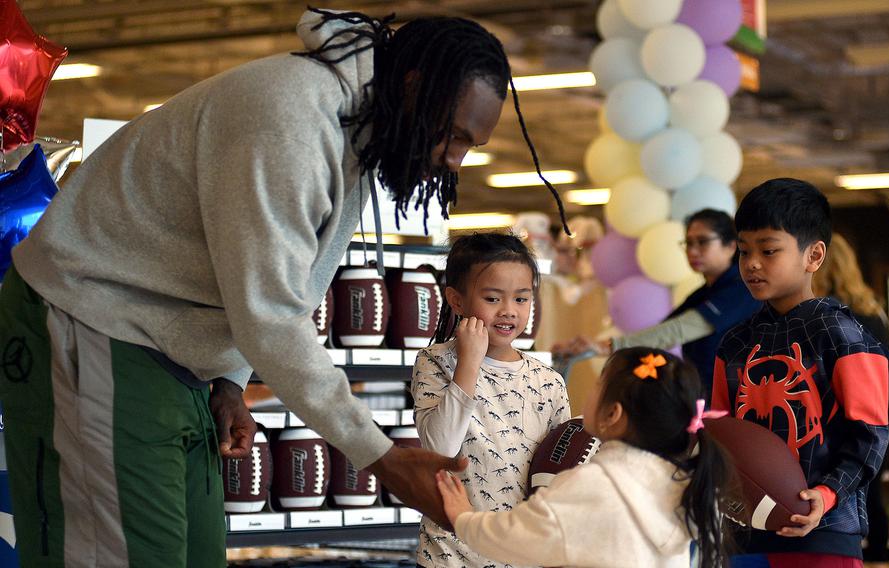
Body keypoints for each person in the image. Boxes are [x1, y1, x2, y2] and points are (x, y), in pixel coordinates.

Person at [0, 7, 571, 566]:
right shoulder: (294, 118)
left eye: (469, 145)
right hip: (91, 320)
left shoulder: (355, 130)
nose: (454, 160)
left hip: (167, 354)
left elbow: (285, 280)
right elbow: (270, 313)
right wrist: (382, 459)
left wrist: (230, 377)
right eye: (451, 136)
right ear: (415, 85)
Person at [711, 178, 889, 567]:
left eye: (769, 249)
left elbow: (871, 435)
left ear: (814, 256)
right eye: (744, 251)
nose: (753, 263)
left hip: (824, 535)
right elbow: (722, 431)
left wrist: (824, 496)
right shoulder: (734, 343)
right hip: (745, 536)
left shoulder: (844, 334)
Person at [435, 347, 731, 568]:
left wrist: (463, 518)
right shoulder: (687, 483)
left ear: (612, 414)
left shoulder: (591, 486)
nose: (591, 392)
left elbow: (514, 537)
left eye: (598, 384)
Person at [411, 232, 570, 567]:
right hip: (449, 555)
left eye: (522, 299)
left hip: (522, 555)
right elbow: (439, 449)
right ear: (456, 301)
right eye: (493, 299)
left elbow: (561, 474)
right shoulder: (436, 361)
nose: (509, 312)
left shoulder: (549, 381)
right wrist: (468, 362)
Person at [554, 209, 760, 390]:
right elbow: (663, 331)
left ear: (731, 246)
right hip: (707, 395)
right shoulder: (705, 292)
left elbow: (678, 330)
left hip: (736, 401)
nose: (693, 251)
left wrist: (605, 346)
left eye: (703, 242)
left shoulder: (740, 288)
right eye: (688, 243)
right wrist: (590, 346)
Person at [813, 232, 889, 562]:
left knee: (857, 484)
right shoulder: (871, 309)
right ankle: (878, 556)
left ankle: (871, 554)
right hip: (886, 405)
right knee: (868, 486)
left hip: (862, 408)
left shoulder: (838, 316)